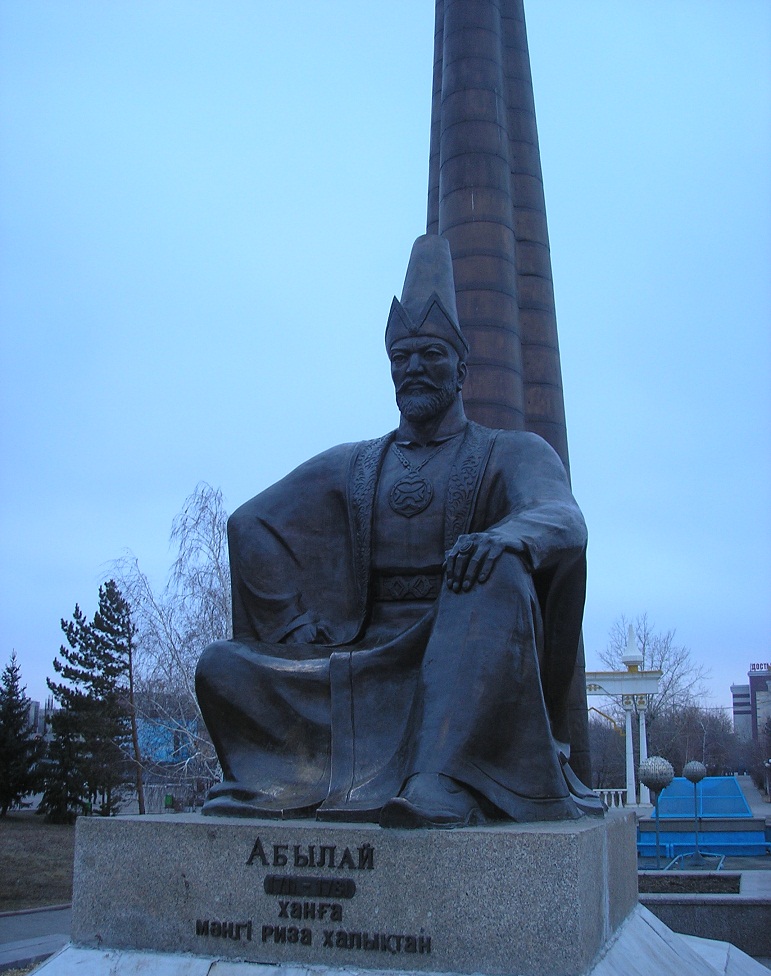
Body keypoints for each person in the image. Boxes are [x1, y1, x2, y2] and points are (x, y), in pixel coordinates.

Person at [196, 235, 599, 827]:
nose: (414, 367)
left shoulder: (512, 451)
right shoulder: (355, 462)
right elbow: (250, 524)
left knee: (492, 572)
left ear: (462, 367)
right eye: (401, 356)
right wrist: (294, 626)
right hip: (360, 662)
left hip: (466, 650)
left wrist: (507, 537)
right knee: (220, 665)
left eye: (430, 354)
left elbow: (563, 517)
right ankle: (287, 781)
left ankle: (442, 778)